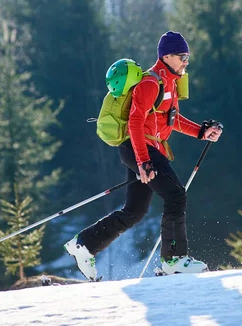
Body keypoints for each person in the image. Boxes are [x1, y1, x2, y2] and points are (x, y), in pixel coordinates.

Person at [64, 31, 223, 280]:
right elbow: (135, 123)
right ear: (167, 56)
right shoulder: (151, 82)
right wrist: (143, 161)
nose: (186, 62)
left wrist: (201, 132)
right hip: (139, 148)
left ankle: (84, 244)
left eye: (188, 57)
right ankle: (174, 259)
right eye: (182, 57)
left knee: (135, 211)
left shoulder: (170, 82)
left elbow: (171, 119)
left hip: (147, 150)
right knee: (175, 194)